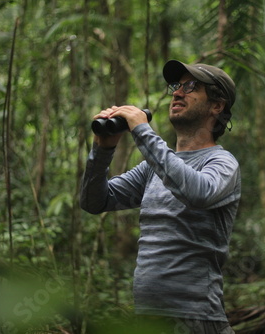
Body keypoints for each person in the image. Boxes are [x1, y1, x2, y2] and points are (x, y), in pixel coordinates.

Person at [80, 60, 241, 334]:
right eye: (177, 86)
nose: (177, 93)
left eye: (192, 87)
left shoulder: (222, 163)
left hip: (197, 319)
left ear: (217, 106)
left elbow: (198, 193)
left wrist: (143, 132)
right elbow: (95, 201)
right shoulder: (153, 167)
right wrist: (102, 150)